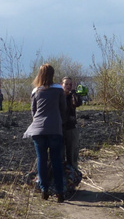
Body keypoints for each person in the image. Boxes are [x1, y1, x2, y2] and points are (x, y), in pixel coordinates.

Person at [23, 64, 69, 202]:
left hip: (37, 129)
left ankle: (44, 189)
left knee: (41, 160)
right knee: (56, 160)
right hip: (54, 128)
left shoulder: (36, 91)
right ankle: (60, 191)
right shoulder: (58, 90)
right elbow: (63, 108)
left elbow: (33, 111)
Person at [61, 77, 82, 170]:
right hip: (59, 128)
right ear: (62, 84)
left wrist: (74, 93)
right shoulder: (58, 96)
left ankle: (73, 174)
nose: (68, 86)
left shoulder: (72, 97)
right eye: (66, 84)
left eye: (70, 84)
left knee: (72, 154)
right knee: (59, 155)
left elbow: (77, 103)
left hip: (71, 127)